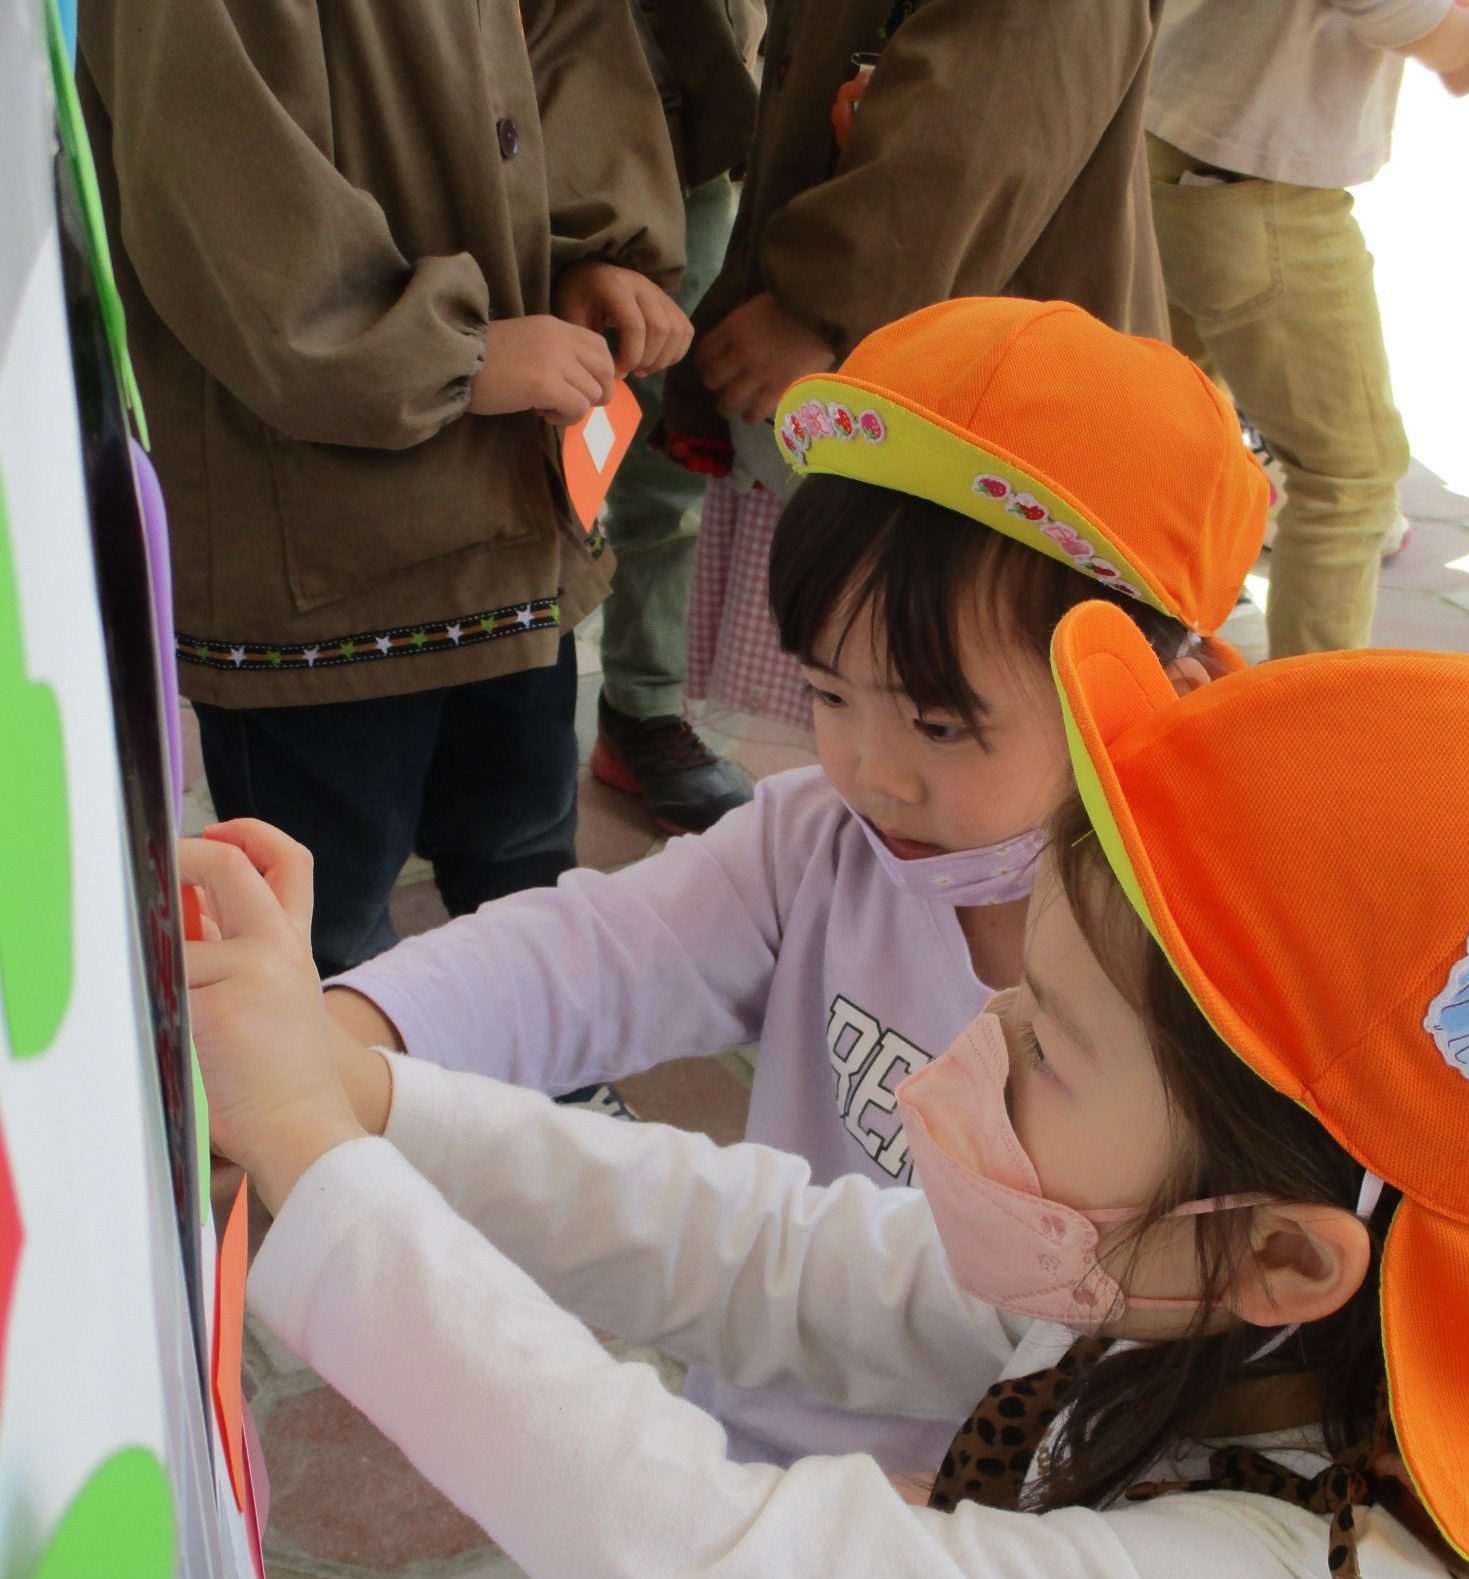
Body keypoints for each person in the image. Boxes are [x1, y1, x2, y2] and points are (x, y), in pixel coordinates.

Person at [182, 602, 1469, 1579]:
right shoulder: (1187, 1293)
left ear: (1281, 1251)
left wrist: (313, 1157)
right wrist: (370, 1102)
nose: (971, 1049)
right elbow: (771, 1251)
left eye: (1048, 1045)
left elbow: (700, 1561)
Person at [320, 294, 1268, 1579]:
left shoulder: (1190, 985)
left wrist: (988, 1558)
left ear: (1152, 691)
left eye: (943, 722)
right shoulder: (819, 838)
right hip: (758, 1446)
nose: (869, 765)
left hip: (953, 1557)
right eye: (829, 692)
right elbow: (596, 951)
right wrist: (356, 1032)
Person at [78, 0, 690, 979]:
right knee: (324, 923)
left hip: (513, 523)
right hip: (318, 550)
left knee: (527, 869)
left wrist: (590, 251)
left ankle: (529, 1067)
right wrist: (454, 352)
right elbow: (217, 187)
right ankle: (345, 1077)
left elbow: (572, 36)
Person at [659, 0, 1172, 742]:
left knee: (953, 701)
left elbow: (994, 107)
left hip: (954, 379)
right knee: (875, 705)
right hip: (892, 353)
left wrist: (819, 300)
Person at [1145, 0, 1469, 658]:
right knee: (1350, 479)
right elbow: (1394, 10)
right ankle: (1311, 717)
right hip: (1253, 181)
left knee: (1168, 418)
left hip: (1172, 139)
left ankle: (1131, 653)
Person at [587, 1, 766, 835]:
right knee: (497, 456)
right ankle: (476, 710)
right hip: (483, 145)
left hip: (678, 131)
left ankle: (643, 706)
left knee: (675, 450)